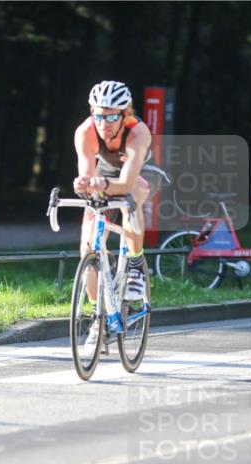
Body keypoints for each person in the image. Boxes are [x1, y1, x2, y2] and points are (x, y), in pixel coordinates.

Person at [72, 80, 152, 308]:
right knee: (87, 245)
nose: (103, 124)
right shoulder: (85, 132)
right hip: (106, 171)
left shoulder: (138, 132)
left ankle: (136, 267)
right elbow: (87, 176)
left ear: (125, 114)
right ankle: (100, 312)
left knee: (132, 198)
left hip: (140, 171)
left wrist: (103, 183)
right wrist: (84, 184)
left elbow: (126, 183)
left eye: (111, 117)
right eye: (98, 116)